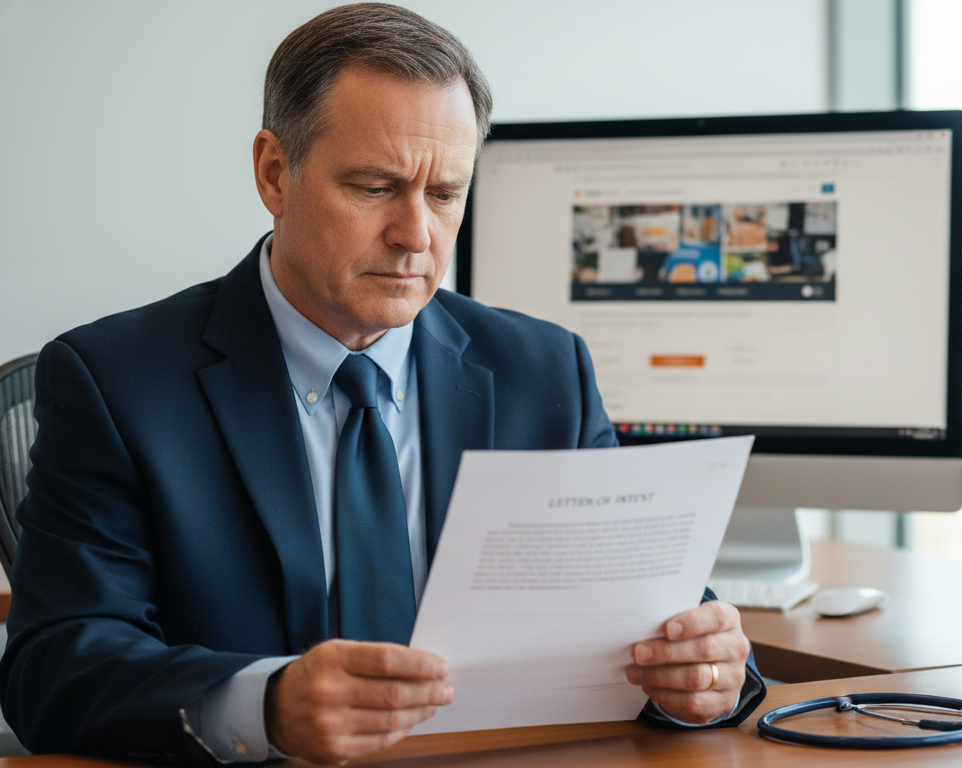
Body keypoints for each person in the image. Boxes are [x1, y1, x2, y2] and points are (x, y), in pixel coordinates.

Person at [0, 5, 763, 765]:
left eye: (444, 194)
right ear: (274, 172)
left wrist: (707, 674)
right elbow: (57, 666)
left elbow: (643, 608)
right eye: (375, 187)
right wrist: (266, 705)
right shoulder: (117, 382)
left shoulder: (543, 369)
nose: (415, 235)